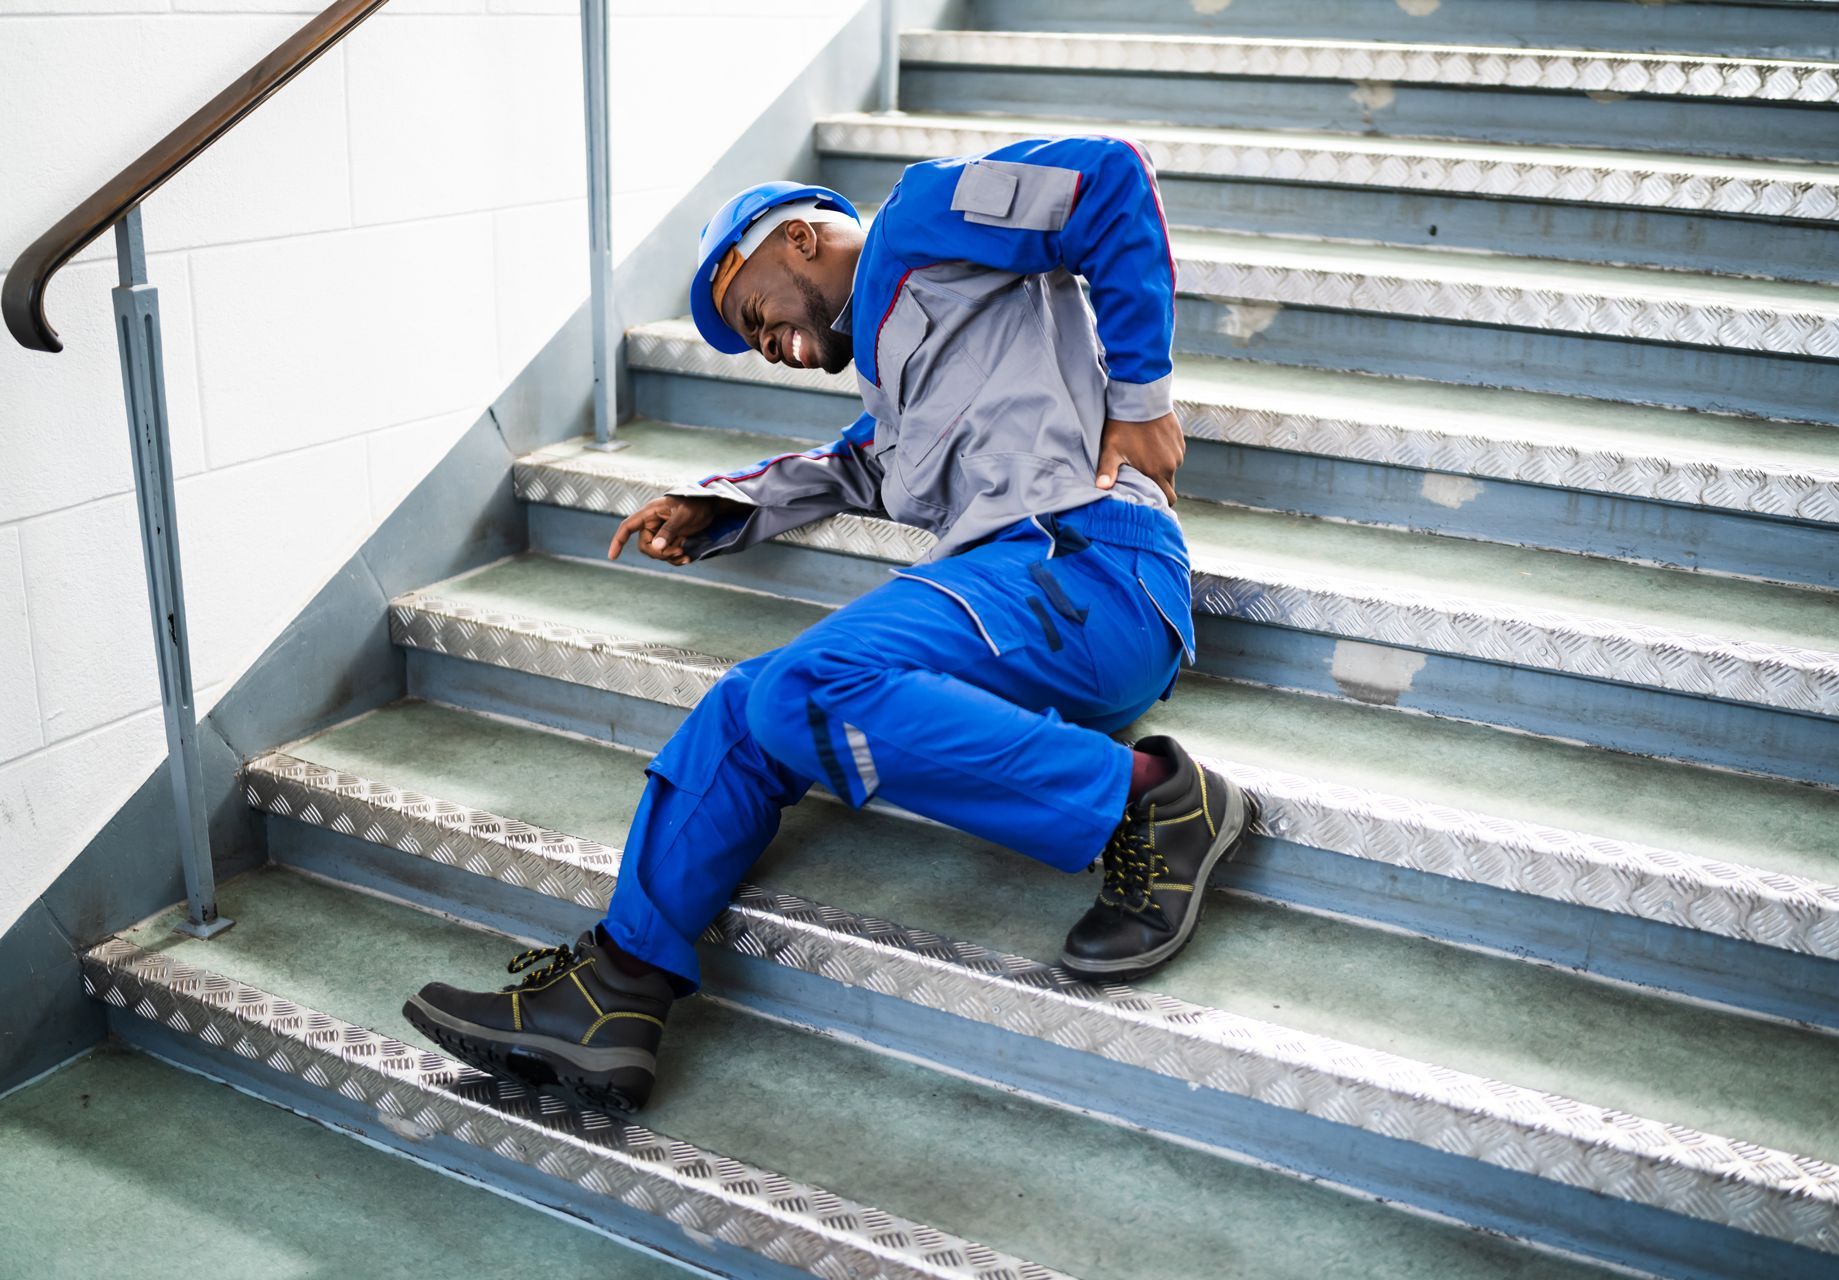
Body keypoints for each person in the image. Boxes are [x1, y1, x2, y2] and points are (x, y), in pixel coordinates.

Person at [405, 136, 1251, 1113]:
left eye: (751, 312)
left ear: (798, 239)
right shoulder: (897, 387)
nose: (764, 345)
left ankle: (1151, 800)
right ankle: (615, 991)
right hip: (1018, 592)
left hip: (1092, 561)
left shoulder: (922, 218)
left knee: (809, 684)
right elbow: (854, 463)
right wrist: (720, 503)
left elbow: (1108, 179)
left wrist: (1142, 399)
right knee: (742, 706)